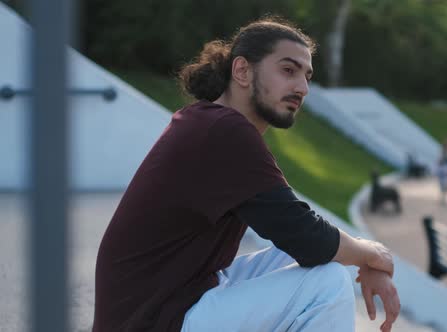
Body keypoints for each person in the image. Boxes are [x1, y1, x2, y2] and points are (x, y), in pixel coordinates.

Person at [93, 17, 400, 332]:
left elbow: (299, 231)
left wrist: (362, 256)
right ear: (241, 71)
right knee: (328, 284)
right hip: (151, 318)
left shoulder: (210, 122)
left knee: (306, 258)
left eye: (307, 76)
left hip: (169, 297)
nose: (303, 88)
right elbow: (309, 238)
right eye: (288, 70)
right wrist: (372, 255)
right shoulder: (225, 131)